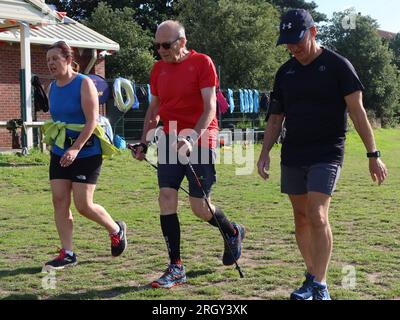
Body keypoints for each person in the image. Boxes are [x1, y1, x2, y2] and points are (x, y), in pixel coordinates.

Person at [257, 9, 388, 300]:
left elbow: (357, 111)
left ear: (313, 32)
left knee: (317, 213)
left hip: (327, 152)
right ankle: (312, 275)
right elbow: (276, 118)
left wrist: (373, 154)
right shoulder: (285, 72)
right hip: (293, 153)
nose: (293, 48)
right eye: (287, 43)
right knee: (301, 217)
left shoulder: (338, 66)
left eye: (297, 41)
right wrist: (264, 152)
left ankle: (321, 285)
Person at [132, 20, 245, 289]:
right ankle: (176, 267)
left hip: (202, 135)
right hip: (169, 136)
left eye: (166, 45)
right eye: (157, 45)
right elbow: (154, 109)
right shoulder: (158, 69)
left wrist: (192, 137)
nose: (161, 50)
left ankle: (232, 231)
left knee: (199, 207)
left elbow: (209, 108)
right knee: (166, 197)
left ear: (182, 42)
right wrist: (145, 141)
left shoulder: (203, 63)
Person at [43, 41, 127, 270]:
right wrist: (58, 142)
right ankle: (67, 253)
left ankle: (116, 229)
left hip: (86, 151)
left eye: (55, 59)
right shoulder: (52, 88)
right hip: (60, 151)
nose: (51, 63)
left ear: (68, 59)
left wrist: (75, 148)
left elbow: (92, 121)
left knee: (83, 205)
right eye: (48, 60)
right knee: (59, 200)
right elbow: (60, 119)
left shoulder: (84, 83)